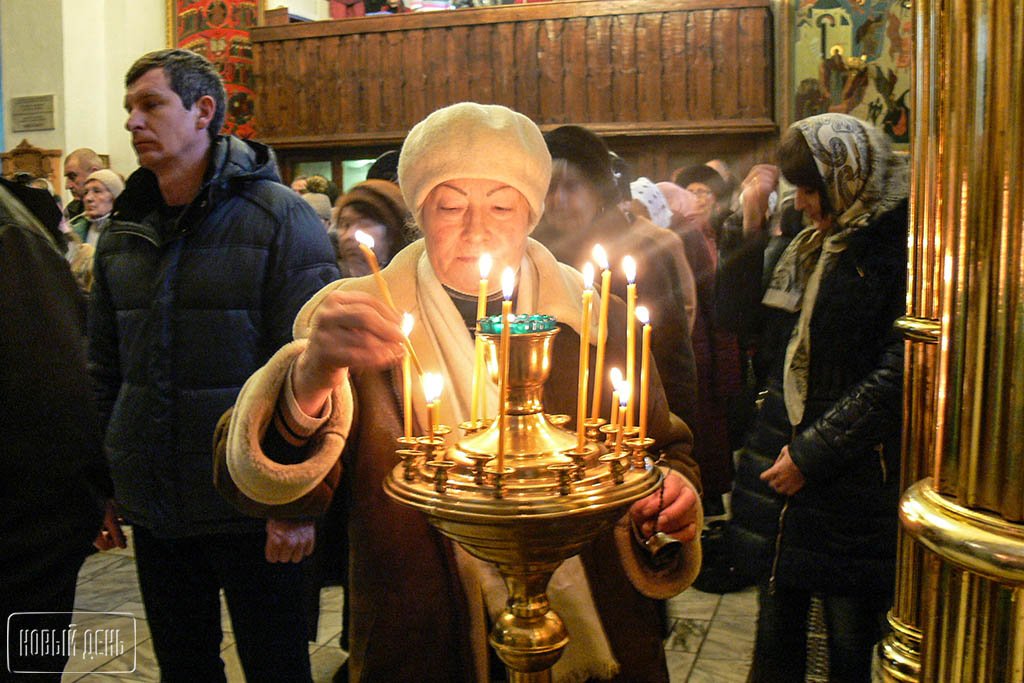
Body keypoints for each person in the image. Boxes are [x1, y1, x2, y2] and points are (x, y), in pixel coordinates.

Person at [215, 102, 703, 682]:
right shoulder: (365, 321)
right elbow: (255, 482)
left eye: (501, 204)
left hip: (598, 626)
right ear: (420, 213)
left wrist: (675, 491)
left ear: (531, 213)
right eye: (450, 206)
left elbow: (664, 450)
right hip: (427, 637)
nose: (477, 229)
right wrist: (311, 376)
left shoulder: (594, 322)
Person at [88, 48, 339, 682]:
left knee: (276, 667)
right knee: (184, 667)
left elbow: (319, 370)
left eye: (150, 105)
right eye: (129, 109)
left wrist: (297, 500)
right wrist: (102, 485)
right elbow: (104, 371)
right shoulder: (124, 229)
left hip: (254, 501)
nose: (132, 123)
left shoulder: (279, 217)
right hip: (158, 498)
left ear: (204, 111)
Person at [720, 113, 908, 682]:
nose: (799, 202)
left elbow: (898, 372)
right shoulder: (801, 248)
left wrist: (813, 455)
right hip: (781, 465)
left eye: (809, 189)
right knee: (777, 633)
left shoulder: (892, 255)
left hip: (849, 480)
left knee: (848, 642)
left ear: (849, 180)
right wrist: (748, 232)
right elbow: (736, 321)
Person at [0, 178, 108, 682]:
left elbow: (52, 395)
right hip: (41, 525)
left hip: (26, 537)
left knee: (26, 665)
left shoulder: (12, 238)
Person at [533, 125, 698, 426]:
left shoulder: (645, 254)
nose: (558, 200)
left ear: (598, 192)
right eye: (550, 188)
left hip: (628, 420)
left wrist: (674, 445)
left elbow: (672, 357)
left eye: (572, 187)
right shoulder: (534, 257)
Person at [329, 178, 412, 277]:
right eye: (345, 225)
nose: (349, 235)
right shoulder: (332, 283)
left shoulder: (412, 283)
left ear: (393, 234)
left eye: (364, 225)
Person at [62, 148, 105, 220]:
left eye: (72, 176)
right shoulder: (72, 211)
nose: (67, 186)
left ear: (94, 173)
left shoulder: (123, 210)